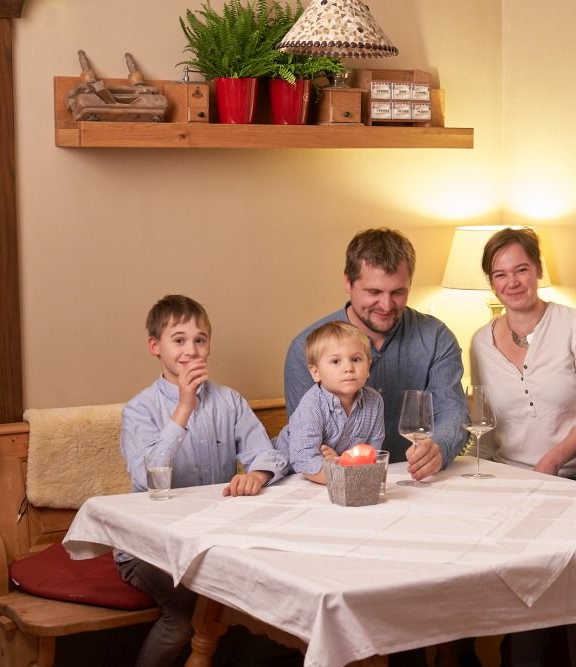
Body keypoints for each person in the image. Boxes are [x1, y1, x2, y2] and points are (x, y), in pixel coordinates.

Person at [118, 295, 288, 667]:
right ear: (155, 347)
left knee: (261, 601)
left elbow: (269, 453)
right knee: (183, 617)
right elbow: (147, 479)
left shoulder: (230, 402)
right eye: (178, 340)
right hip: (148, 547)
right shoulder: (140, 409)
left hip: (213, 540)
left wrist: (257, 474)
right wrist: (183, 408)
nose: (191, 350)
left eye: (200, 339)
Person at [284, 228, 468, 482]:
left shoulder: (437, 338)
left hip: (418, 482)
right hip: (333, 487)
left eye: (398, 292)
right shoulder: (303, 349)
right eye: (374, 292)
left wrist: (438, 447)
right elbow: (305, 443)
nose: (386, 305)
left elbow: (453, 412)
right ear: (348, 282)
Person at [470, 227, 576, 480]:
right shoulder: (480, 342)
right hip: (505, 476)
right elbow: (484, 428)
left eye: (521, 270)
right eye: (500, 275)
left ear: (538, 270)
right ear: (491, 283)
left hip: (573, 477)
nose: (512, 283)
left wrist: (552, 461)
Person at [276, 321, 384, 484]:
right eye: (335, 361)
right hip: (288, 474)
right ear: (316, 372)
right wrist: (343, 470)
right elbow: (304, 460)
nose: (348, 368)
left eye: (356, 359)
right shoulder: (312, 405)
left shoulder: (374, 401)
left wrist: (339, 462)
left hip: (335, 475)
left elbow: (372, 454)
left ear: (368, 367)